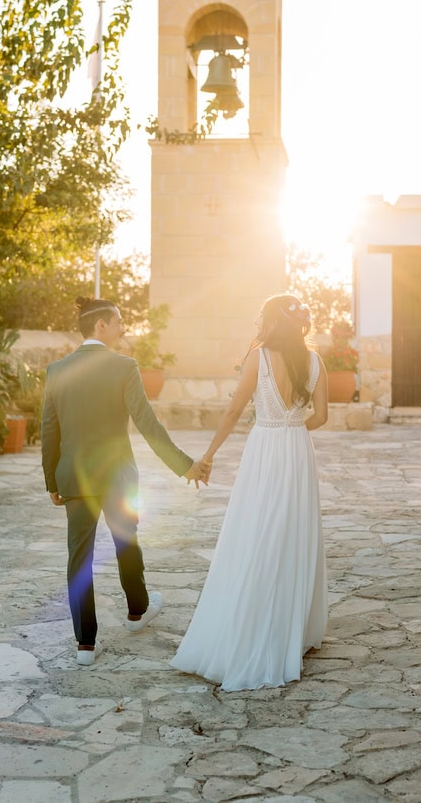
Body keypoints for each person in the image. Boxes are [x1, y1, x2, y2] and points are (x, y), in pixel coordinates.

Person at [170, 293, 329, 691]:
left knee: (256, 533)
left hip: (265, 451)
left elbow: (233, 410)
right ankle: (290, 628)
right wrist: (292, 431)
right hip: (296, 452)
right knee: (292, 534)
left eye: (262, 316)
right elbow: (322, 416)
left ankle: (253, 625)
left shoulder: (257, 358)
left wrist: (207, 455)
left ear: (273, 321)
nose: (258, 322)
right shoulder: (315, 361)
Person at [41, 296, 208, 666]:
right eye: (118, 322)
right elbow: (148, 424)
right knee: (126, 543)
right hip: (116, 477)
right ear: (101, 326)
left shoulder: (57, 371)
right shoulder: (124, 367)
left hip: (74, 479)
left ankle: (86, 644)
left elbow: (48, 432)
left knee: (78, 559)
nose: (123, 328)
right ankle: (137, 612)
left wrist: (52, 480)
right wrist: (185, 465)